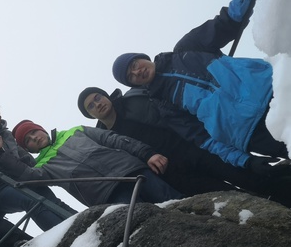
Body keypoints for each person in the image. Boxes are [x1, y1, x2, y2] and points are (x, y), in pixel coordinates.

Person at [112, 0, 288, 172]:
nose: (137, 71)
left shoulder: (187, 48)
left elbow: (232, 18)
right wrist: (245, 161)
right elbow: (204, 140)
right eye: (131, 76)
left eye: (134, 64)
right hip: (252, 134)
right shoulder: (164, 105)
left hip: (273, 91)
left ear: (141, 56)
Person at [76, 86, 291, 205]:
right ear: (90, 115)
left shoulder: (134, 100)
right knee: (227, 197)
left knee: (245, 175)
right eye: (92, 106)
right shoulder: (107, 138)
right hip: (174, 174)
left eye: (98, 97)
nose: (98, 103)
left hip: (192, 148)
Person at [0, 120, 182, 207]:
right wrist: (0, 153)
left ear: (41, 129)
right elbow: (26, 175)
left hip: (132, 170)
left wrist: (147, 154)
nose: (34, 138)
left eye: (33, 132)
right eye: (27, 140)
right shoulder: (41, 167)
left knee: (175, 200)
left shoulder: (75, 130)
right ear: (29, 149)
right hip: (107, 195)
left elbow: (113, 139)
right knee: (146, 223)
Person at [0, 100, 75, 231]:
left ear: (0, 117)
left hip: (21, 180)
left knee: (53, 201)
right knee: (30, 200)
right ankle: (64, 234)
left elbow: (27, 159)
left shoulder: (8, 137)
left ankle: (85, 224)